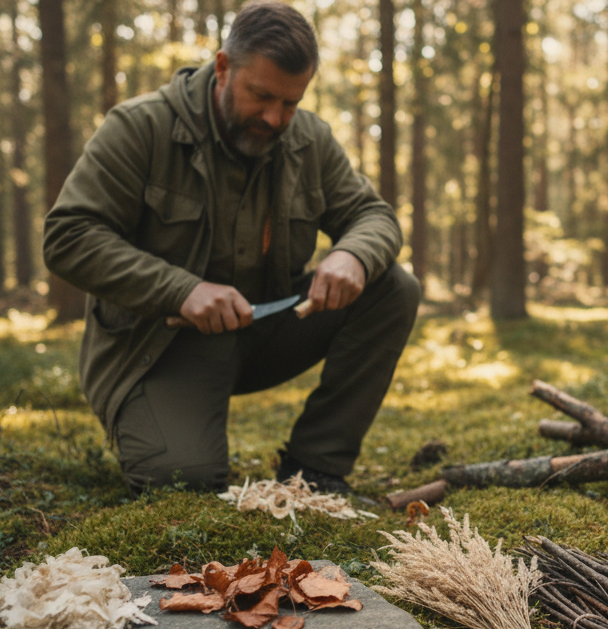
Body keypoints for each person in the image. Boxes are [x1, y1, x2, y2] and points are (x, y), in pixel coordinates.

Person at [43, 1, 419, 496]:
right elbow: (68, 236)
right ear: (223, 67)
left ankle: (315, 468)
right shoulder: (141, 128)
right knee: (182, 481)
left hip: (264, 328)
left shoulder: (308, 139)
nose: (274, 117)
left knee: (392, 286)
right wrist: (182, 290)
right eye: (260, 96)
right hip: (162, 345)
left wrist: (352, 254)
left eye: (290, 102)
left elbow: (375, 216)